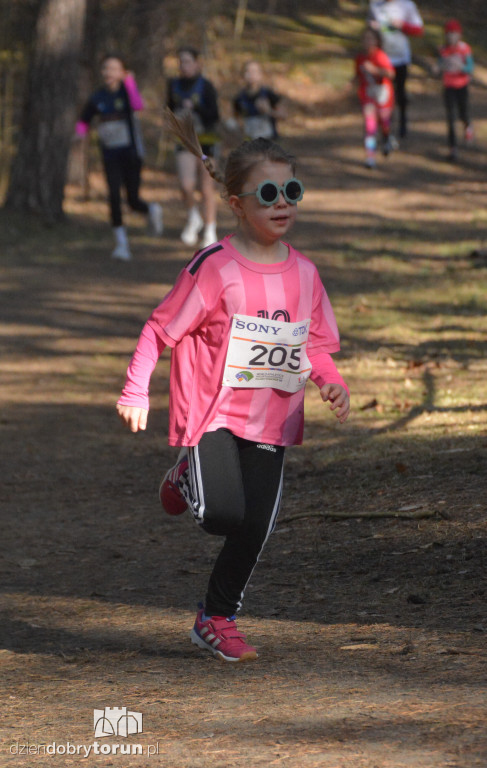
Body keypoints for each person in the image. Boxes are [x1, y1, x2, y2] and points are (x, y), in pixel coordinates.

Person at [116, 110, 350, 663]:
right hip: (213, 415)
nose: (281, 202)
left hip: (271, 419)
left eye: (290, 189)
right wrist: (135, 390)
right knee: (223, 516)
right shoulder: (214, 268)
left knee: (254, 527)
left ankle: (216, 618)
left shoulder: (306, 274)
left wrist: (331, 383)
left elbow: (312, 345)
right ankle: (185, 473)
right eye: (266, 192)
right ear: (236, 203)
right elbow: (159, 329)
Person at [76, 54, 163, 261]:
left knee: (132, 200)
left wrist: (130, 82)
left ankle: (152, 209)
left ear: (123, 73)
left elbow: (138, 105)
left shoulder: (127, 93)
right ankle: (122, 244)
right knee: (114, 196)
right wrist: (79, 135)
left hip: (131, 154)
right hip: (110, 155)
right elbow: (84, 119)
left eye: (114, 69)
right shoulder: (98, 97)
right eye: (106, 68)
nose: (109, 72)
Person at [167, 47, 220, 248]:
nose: (184, 66)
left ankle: (210, 229)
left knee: (207, 188)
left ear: (197, 64)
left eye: (188, 61)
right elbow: (169, 109)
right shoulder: (173, 85)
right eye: (181, 62)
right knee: (186, 184)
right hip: (185, 141)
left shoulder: (206, 86)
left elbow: (214, 116)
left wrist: (195, 107)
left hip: (206, 141)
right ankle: (193, 217)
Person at [367, 0, 424, 141]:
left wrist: (402, 25)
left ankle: (403, 122)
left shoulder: (407, 5)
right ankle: (387, 129)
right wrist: (372, 28)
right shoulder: (375, 5)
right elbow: (369, 31)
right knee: (384, 96)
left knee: (400, 92)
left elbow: (419, 30)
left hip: (401, 58)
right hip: (382, 59)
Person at [355, 27, 395, 168]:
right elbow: (358, 77)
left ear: (377, 41)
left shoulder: (380, 56)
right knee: (370, 127)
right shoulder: (360, 58)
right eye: (365, 39)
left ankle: (386, 138)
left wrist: (375, 70)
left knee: (384, 122)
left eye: (371, 39)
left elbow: (391, 74)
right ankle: (370, 157)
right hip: (368, 96)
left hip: (383, 95)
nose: (367, 42)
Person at [436, 19, 474, 162]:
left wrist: (462, 68)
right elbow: (439, 65)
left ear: (459, 35)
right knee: (450, 118)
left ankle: (467, 126)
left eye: (454, 33)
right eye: (448, 34)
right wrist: (437, 68)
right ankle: (453, 148)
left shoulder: (465, 49)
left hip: (462, 86)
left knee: (463, 113)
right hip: (448, 87)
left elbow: (470, 68)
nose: (451, 36)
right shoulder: (443, 49)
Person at [233, 60, 286, 140]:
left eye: (254, 71)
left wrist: (268, 111)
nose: (251, 74)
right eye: (247, 71)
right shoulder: (239, 98)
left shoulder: (268, 94)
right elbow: (236, 120)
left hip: (269, 142)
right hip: (250, 143)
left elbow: (283, 116)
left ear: (260, 75)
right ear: (243, 75)